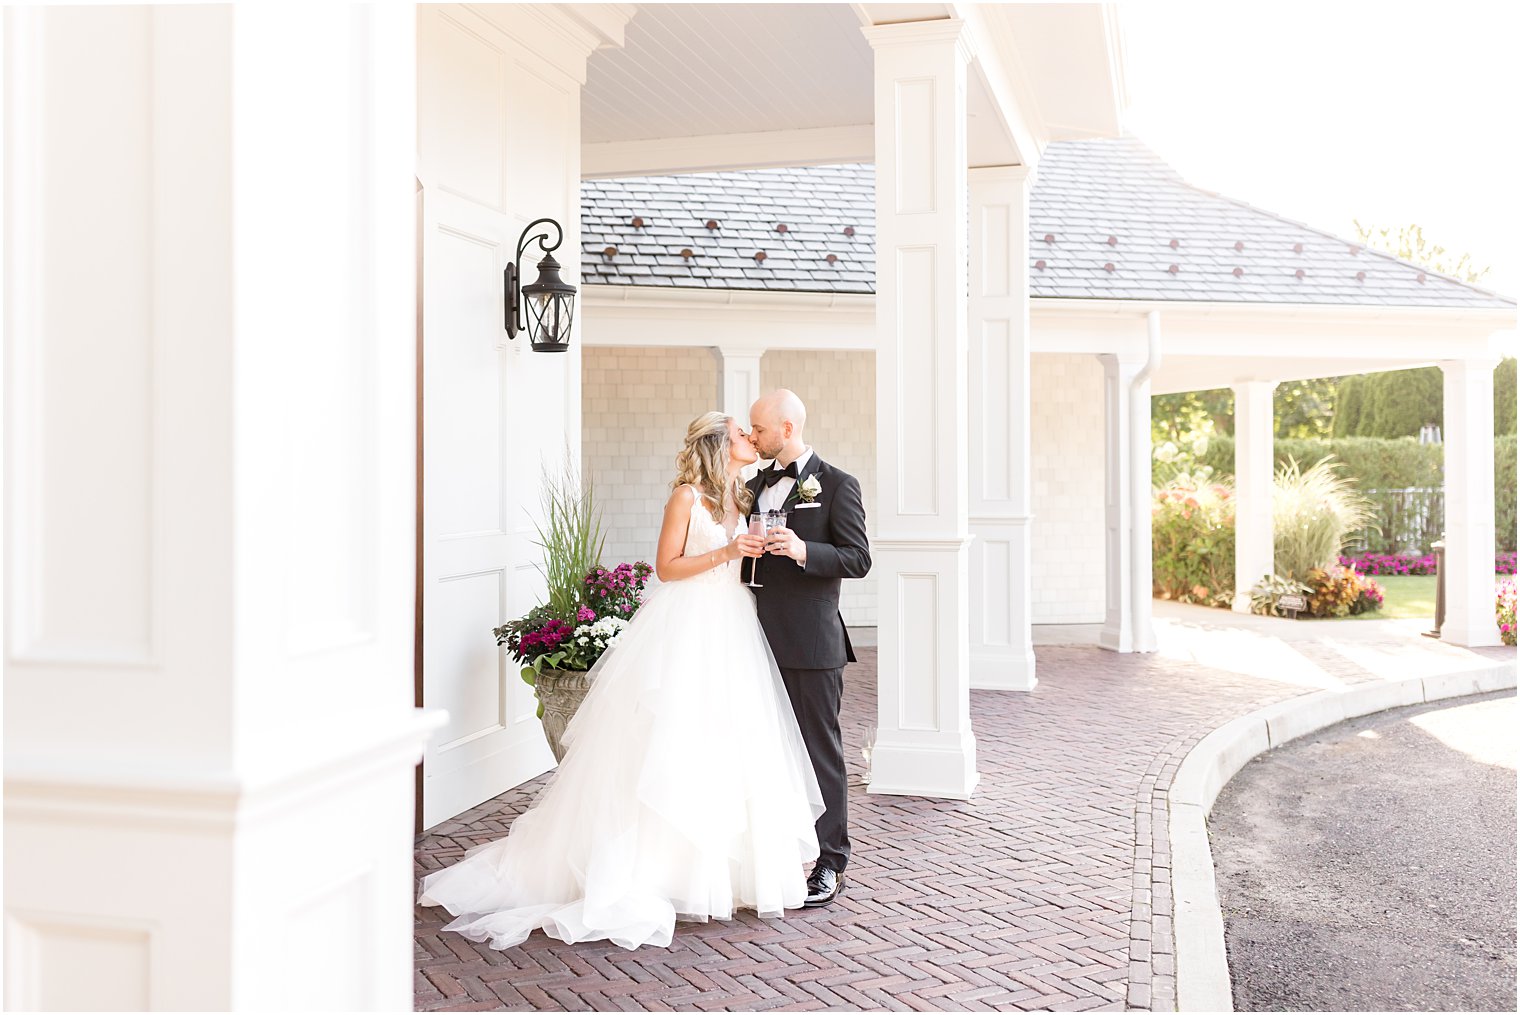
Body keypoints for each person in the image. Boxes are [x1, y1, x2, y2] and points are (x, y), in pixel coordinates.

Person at [417, 412, 824, 951]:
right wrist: (727, 552)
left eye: (754, 433)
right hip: (687, 625)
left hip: (732, 625)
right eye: (743, 434)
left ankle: (717, 873)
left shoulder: (744, 498)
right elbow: (667, 567)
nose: (753, 439)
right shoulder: (686, 497)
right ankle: (655, 870)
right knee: (666, 739)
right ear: (719, 443)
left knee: (724, 742)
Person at [745, 389, 872, 907]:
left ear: (787, 429)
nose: (753, 437)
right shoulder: (752, 486)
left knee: (820, 753)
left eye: (760, 429)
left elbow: (858, 558)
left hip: (811, 643)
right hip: (751, 640)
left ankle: (830, 862)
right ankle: (775, 853)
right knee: (765, 753)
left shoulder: (838, 484)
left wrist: (803, 550)